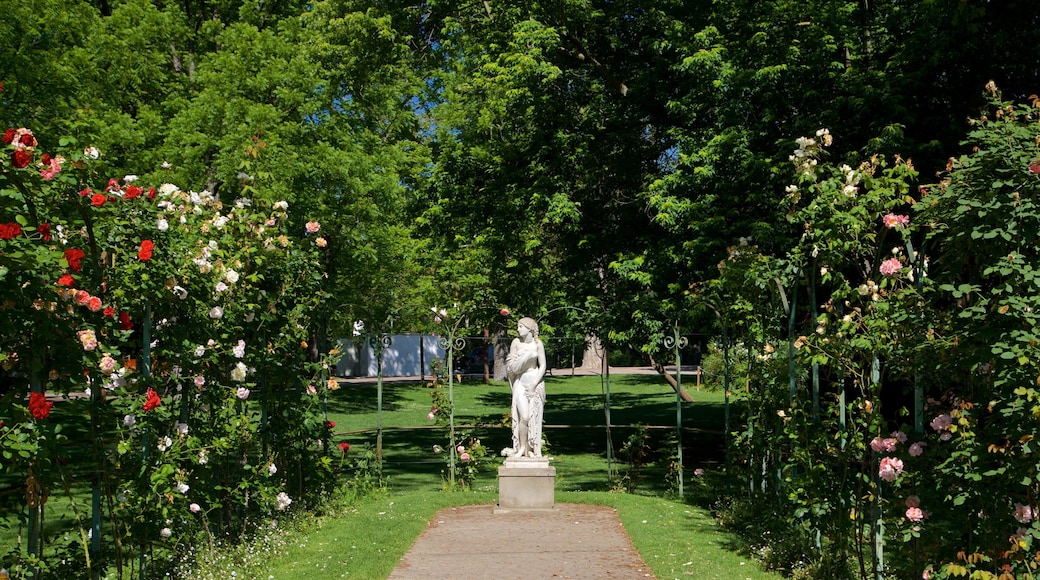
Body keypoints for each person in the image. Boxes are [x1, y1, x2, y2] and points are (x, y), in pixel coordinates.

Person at [505, 317, 547, 458]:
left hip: (534, 383)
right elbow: (512, 368)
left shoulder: (538, 344)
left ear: (529, 329)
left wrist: (534, 384)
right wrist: (526, 357)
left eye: (520, 326)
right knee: (524, 416)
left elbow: (543, 366)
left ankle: (532, 448)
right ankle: (522, 447)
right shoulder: (516, 343)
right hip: (520, 383)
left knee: (534, 417)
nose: (518, 329)